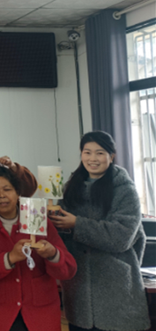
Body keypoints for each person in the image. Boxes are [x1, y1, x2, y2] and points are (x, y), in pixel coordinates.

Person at [49, 131, 150, 331]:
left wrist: (77, 224)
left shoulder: (125, 189)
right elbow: (61, 234)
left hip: (116, 288)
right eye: (87, 152)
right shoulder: (71, 186)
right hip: (79, 291)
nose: (93, 159)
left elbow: (122, 237)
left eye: (100, 153)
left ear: (111, 156)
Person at [0, 167, 76, 331]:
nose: (1, 195)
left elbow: (68, 269)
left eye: (7, 189)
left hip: (41, 310)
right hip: (4, 311)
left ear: (18, 193)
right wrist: (10, 257)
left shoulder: (37, 216)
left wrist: (53, 254)